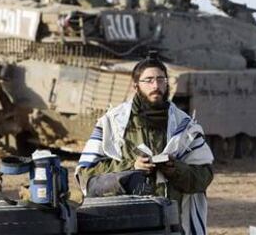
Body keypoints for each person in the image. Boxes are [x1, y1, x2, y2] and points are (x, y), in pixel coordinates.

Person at [76, 54, 214, 234]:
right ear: (136, 86)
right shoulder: (113, 124)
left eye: (160, 79)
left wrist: (176, 170)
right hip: (124, 223)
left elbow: (204, 177)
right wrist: (131, 167)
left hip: (170, 223)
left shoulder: (185, 126)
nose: (155, 86)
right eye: (148, 80)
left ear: (167, 83)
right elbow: (86, 175)